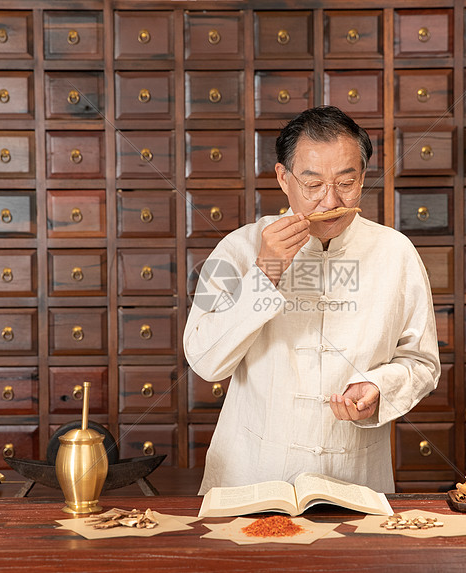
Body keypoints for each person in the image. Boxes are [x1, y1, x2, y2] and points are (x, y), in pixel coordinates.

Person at [184, 106, 440, 494]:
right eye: (313, 184)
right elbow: (205, 361)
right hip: (251, 477)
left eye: (346, 182)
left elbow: (422, 362)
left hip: (356, 480)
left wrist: (379, 386)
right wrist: (265, 273)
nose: (330, 201)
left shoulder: (396, 252)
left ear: (363, 178)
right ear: (284, 179)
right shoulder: (237, 248)